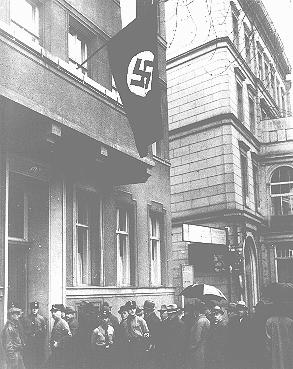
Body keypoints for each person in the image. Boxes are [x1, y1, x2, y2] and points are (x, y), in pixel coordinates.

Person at [265, 302, 293, 369]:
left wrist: (268, 350)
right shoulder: (290, 321)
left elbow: (267, 338)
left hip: (274, 349)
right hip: (287, 348)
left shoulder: (269, 321)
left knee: (275, 364)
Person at [45, 304, 71, 369]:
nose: (53, 314)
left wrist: (58, 344)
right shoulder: (56, 322)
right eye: (52, 312)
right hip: (56, 350)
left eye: (55, 312)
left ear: (60, 312)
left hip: (61, 351)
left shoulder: (63, 322)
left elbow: (68, 337)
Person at [227, 300, 251, 369]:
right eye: (238, 310)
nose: (239, 311)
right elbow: (230, 334)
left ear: (245, 310)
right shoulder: (233, 320)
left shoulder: (249, 320)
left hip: (246, 348)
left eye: (241, 310)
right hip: (235, 348)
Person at [22, 301, 47, 369]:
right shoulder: (25, 319)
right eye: (33, 308)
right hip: (29, 342)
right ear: (30, 309)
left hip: (38, 342)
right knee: (29, 358)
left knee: (38, 358)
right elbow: (23, 331)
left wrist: (41, 342)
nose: (34, 310)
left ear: (38, 309)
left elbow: (44, 333)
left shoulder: (41, 319)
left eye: (36, 308)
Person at [125, 300, 149, 369]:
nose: (132, 310)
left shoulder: (140, 320)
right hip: (130, 344)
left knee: (139, 363)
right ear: (127, 310)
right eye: (130, 309)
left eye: (133, 308)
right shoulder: (125, 322)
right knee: (131, 363)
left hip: (139, 344)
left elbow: (146, 332)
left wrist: (145, 344)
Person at [188, 301, 210, 369]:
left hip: (198, 349)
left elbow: (197, 337)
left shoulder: (200, 321)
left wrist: (192, 347)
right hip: (204, 347)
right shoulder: (207, 320)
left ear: (197, 311)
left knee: (198, 365)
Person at [163, 304, 185, 369]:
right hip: (167, 351)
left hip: (176, 352)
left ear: (175, 313)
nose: (170, 316)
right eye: (169, 314)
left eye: (171, 314)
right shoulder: (166, 322)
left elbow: (181, 340)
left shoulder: (180, 324)